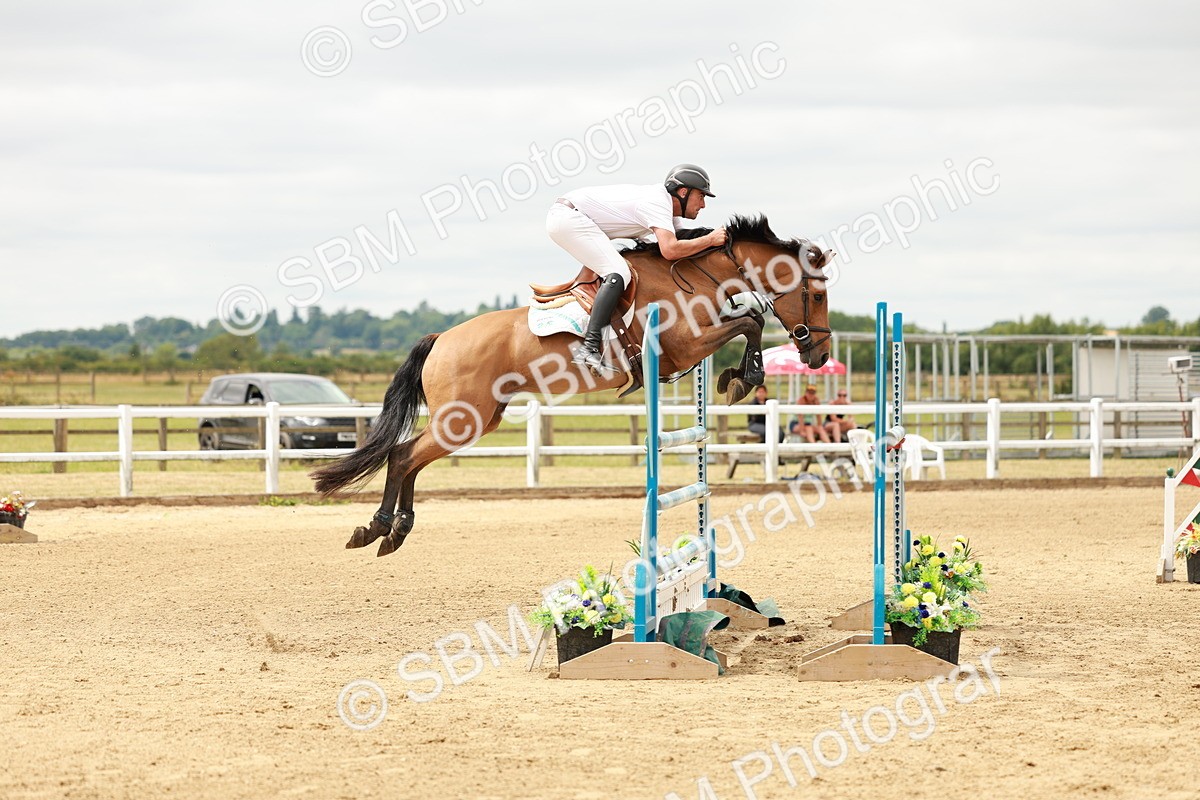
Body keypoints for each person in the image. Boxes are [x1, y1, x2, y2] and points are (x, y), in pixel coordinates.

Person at [545, 164, 726, 374]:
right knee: (619, 272)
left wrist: (719, 240)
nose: (703, 204)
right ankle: (589, 346)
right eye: (701, 196)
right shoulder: (658, 203)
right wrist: (711, 239)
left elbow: (685, 240)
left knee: (618, 270)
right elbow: (670, 250)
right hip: (568, 218)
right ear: (683, 192)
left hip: (573, 215)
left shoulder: (666, 208)